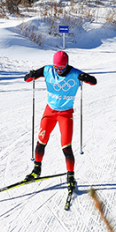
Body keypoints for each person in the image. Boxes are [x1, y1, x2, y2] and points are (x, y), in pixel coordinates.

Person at [23, 50, 97, 189]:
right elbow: (26, 78)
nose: (59, 71)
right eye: (57, 68)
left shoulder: (75, 73)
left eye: (62, 68)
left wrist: (85, 77)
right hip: (49, 112)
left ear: (67, 65)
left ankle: (70, 177)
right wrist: (30, 75)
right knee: (41, 142)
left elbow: (94, 81)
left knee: (66, 147)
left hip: (65, 114)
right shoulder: (47, 70)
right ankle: (36, 170)